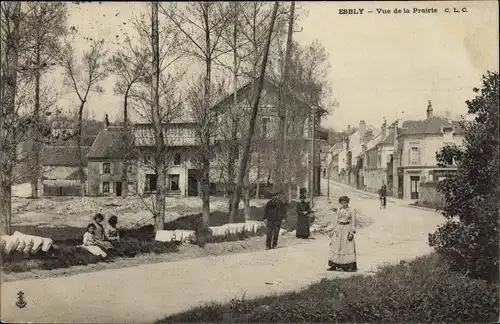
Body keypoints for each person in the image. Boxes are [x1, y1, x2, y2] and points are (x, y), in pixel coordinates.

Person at [328, 195, 357, 272]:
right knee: (336, 246)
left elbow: (353, 222)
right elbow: (336, 220)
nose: (344, 204)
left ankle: (348, 266)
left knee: (346, 247)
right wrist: (333, 230)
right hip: (339, 229)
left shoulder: (351, 210)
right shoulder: (339, 209)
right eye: (342, 203)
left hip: (346, 228)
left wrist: (351, 233)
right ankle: (334, 265)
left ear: (348, 203)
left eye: (345, 203)